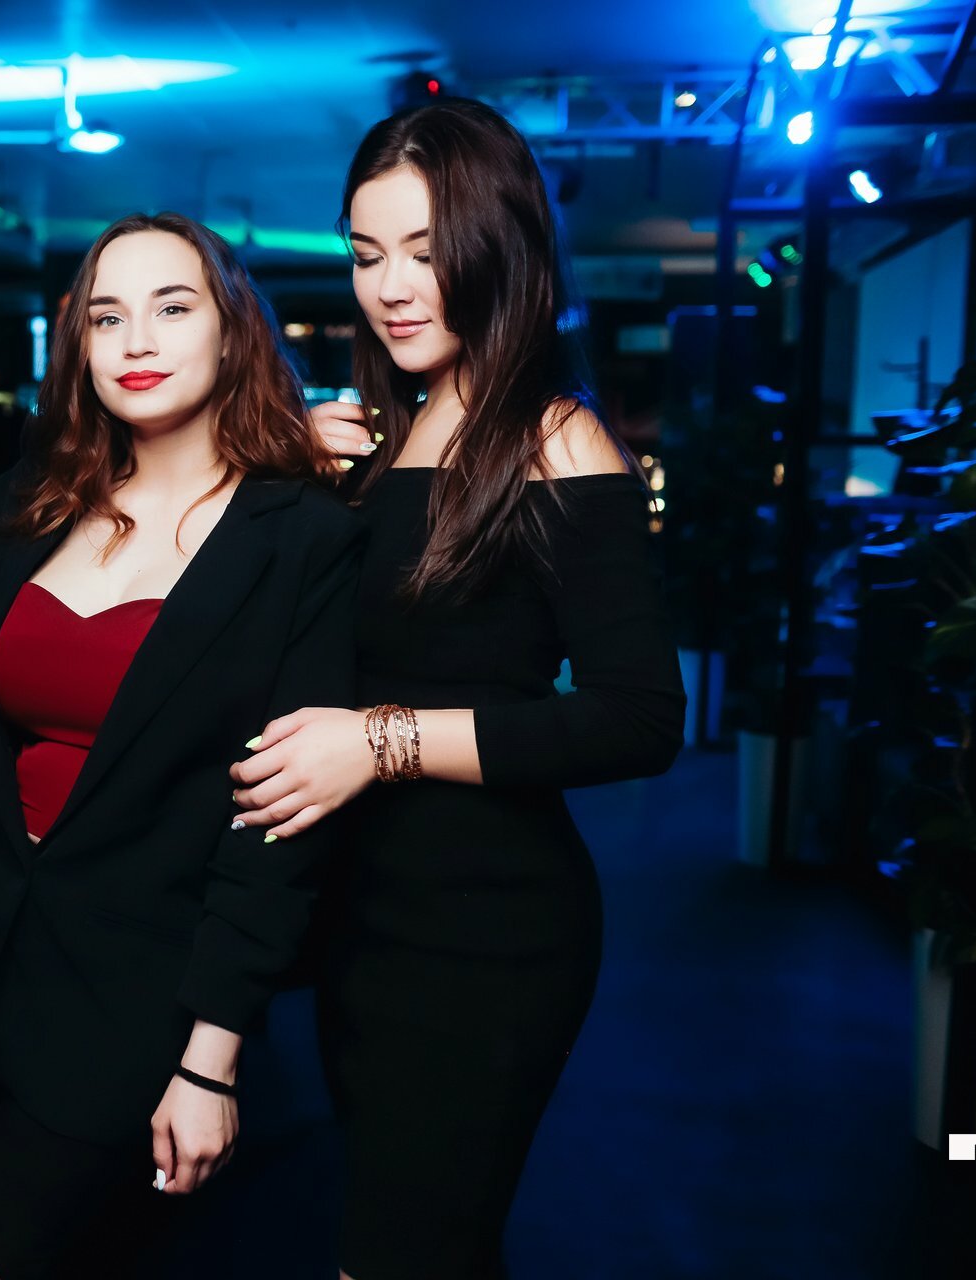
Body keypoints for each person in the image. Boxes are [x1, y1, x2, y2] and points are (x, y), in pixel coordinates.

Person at [228, 100, 687, 1279]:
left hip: (489, 930)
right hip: (363, 919)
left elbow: (639, 717)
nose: (391, 286)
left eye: (426, 252)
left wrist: (380, 741)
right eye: (367, 252)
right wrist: (291, 474)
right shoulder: (386, 436)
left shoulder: (557, 439)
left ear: (499, 245)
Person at [0, 212, 362, 1279]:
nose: (137, 340)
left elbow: (280, 826)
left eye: (172, 309)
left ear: (231, 330)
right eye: (107, 317)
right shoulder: (24, 510)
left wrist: (210, 1060)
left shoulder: (302, 537)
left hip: (143, 1004)